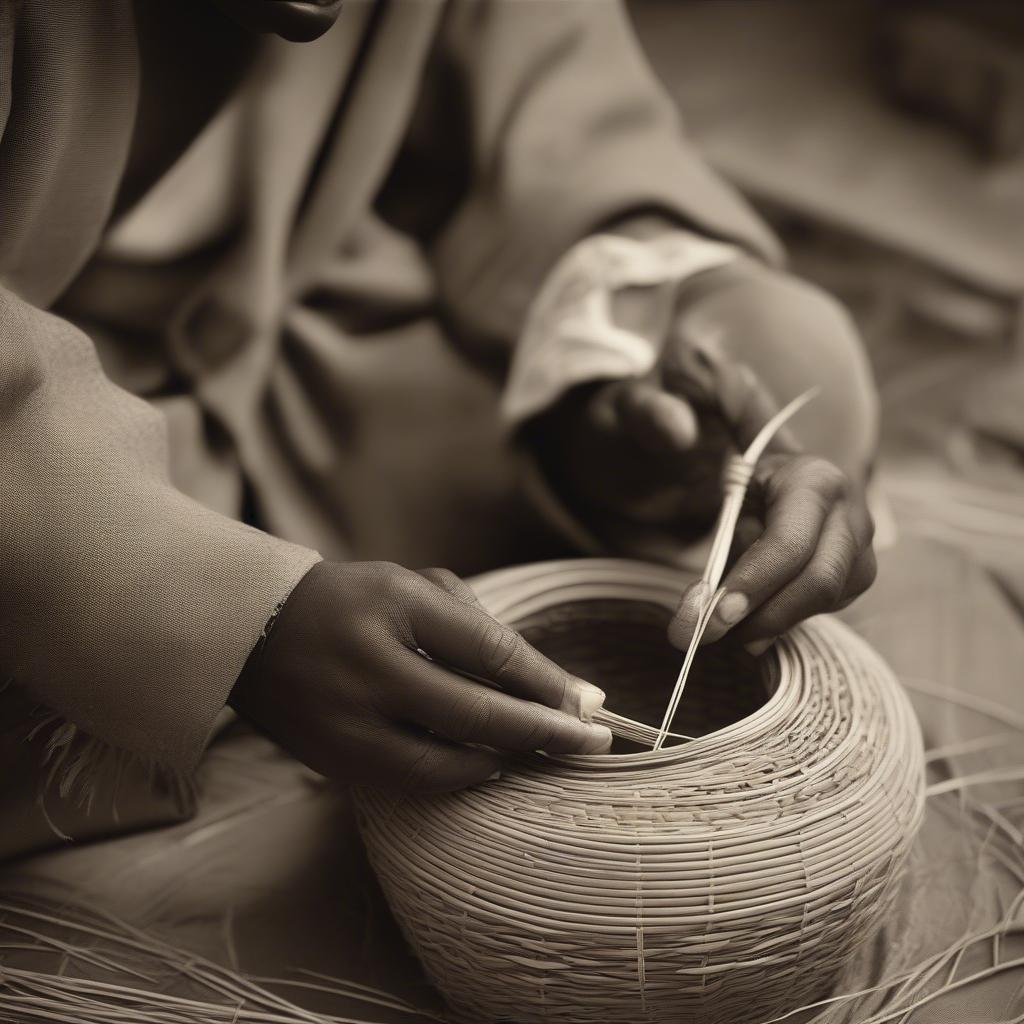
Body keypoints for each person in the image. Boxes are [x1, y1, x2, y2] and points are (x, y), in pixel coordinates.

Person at [0, 0, 877, 858]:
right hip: (37, 457)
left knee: (540, 500)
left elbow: (563, 123)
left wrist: (647, 402)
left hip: (280, 358)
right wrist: (236, 615)